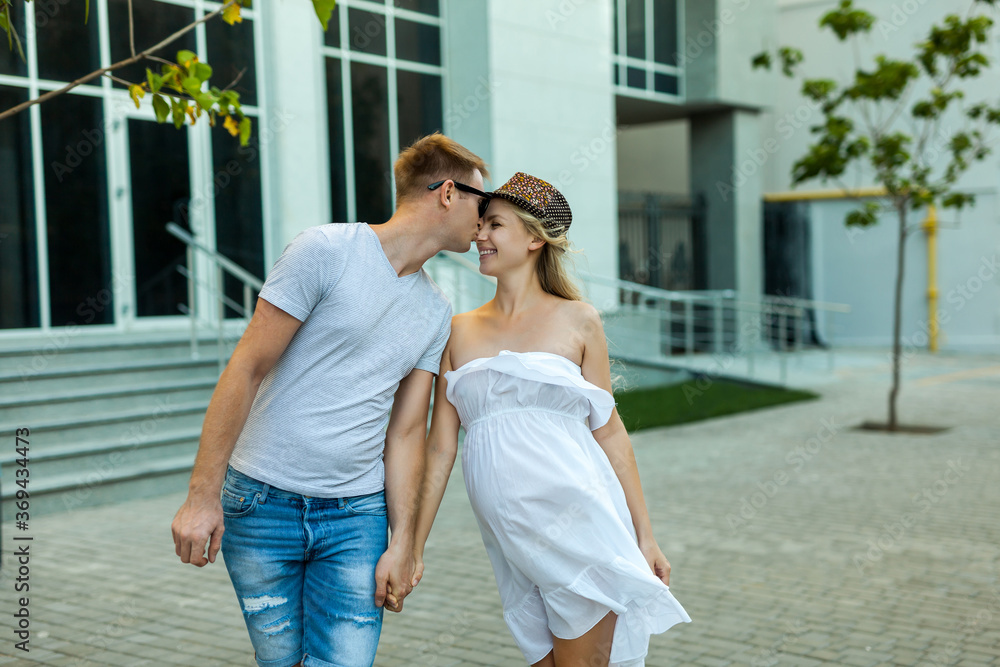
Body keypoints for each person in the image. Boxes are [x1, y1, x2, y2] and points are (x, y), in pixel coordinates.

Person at [170, 132, 490, 667]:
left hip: (355, 516)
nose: (486, 218)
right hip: (260, 505)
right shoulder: (325, 251)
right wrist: (202, 495)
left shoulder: (436, 310)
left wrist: (404, 541)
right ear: (448, 193)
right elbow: (246, 368)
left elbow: (408, 431)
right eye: (484, 201)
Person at [413, 173, 691, 667]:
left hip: (580, 527)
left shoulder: (579, 319)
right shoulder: (456, 329)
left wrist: (645, 538)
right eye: (481, 224)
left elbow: (609, 431)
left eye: (494, 225)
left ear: (535, 238)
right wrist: (412, 546)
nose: (479, 235)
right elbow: (440, 447)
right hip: (510, 544)